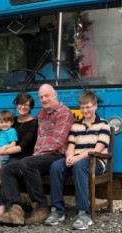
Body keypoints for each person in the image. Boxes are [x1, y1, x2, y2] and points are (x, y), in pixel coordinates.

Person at [0, 83, 74, 225]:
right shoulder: (41, 113)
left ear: (55, 95)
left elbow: (57, 142)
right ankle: (15, 211)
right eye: (41, 97)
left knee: (27, 162)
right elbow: (28, 125)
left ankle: (41, 206)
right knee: (6, 169)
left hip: (56, 156)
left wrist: (35, 154)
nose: (44, 99)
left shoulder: (64, 113)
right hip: (38, 156)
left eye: (47, 96)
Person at [44, 91, 110, 230]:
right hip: (76, 160)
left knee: (80, 166)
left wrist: (76, 158)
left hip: (95, 162)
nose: (85, 110)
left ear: (95, 106)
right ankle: (57, 211)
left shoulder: (104, 124)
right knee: (56, 166)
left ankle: (84, 214)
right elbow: (70, 146)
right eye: (82, 107)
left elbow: (98, 149)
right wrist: (69, 156)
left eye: (88, 107)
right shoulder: (75, 126)